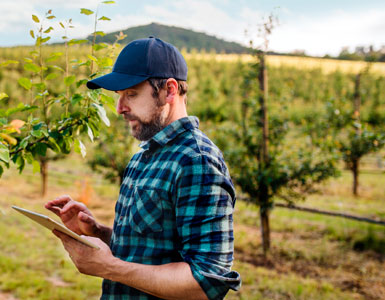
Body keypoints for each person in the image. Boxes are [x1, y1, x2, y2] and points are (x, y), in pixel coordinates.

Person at [45, 37, 241, 300]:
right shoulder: (144, 155)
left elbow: (205, 282)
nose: (119, 108)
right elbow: (151, 249)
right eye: (119, 96)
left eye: (132, 94)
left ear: (170, 90)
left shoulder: (196, 161)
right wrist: (96, 231)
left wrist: (109, 268)